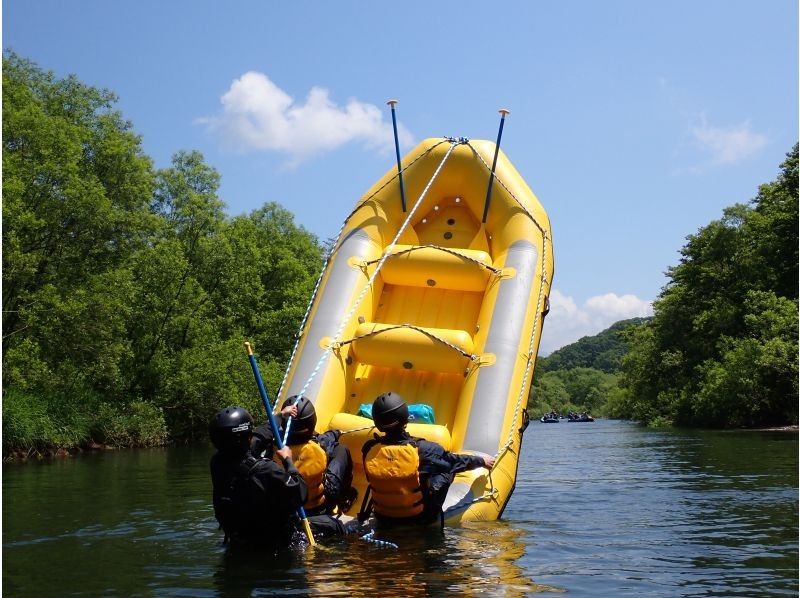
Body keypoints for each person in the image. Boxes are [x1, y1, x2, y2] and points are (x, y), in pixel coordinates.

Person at [360, 391, 496, 527]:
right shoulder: (424, 449)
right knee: (446, 469)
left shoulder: (369, 449)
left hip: (383, 517)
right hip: (419, 517)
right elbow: (455, 462)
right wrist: (481, 461)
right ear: (406, 417)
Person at [209, 405, 307, 549]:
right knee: (333, 525)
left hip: (239, 543)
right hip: (273, 546)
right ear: (247, 438)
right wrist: (288, 461)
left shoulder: (217, 463)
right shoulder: (267, 470)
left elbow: (258, 437)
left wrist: (279, 416)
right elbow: (302, 493)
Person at [250, 395, 357, 517]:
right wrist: (335, 433)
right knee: (341, 450)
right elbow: (328, 440)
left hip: (286, 510)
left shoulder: (273, 447)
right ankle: (344, 497)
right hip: (318, 507)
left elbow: (257, 440)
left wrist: (279, 416)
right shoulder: (319, 445)